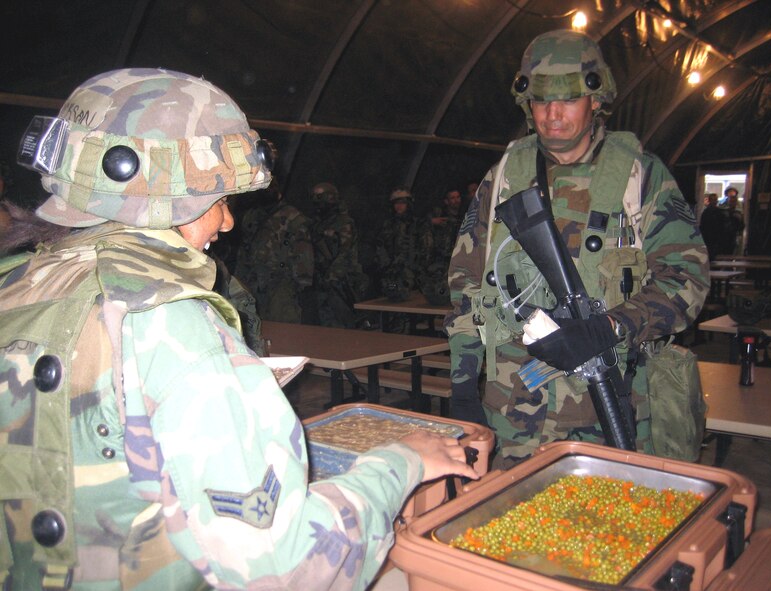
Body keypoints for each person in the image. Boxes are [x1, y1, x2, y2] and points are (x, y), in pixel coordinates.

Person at [0, 68, 478, 591]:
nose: (226, 223)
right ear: (167, 196)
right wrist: (401, 463)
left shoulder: (19, 283)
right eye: (216, 200)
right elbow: (289, 566)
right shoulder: (165, 322)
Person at [444, 30, 710, 469]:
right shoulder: (506, 176)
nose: (552, 114)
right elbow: (467, 283)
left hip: (613, 405)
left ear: (596, 98)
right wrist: (462, 385)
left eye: (566, 99)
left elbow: (688, 279)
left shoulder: (639, 175)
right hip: (515, 415)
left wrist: (609, 327)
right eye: (541, 99)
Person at [234, 178, 314, 324]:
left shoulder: (292, 217)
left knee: (283, 327)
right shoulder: (253, 215)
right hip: (253, 280)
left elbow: (302, 251)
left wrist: (302, 283)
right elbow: (244, 249)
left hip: (281, 282)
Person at [308, 182, 368, 328]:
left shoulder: (343, 223)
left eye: (320, 196)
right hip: (323, 280)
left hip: (341, 281)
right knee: (326, 321)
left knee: (345, 322)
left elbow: (346, 253)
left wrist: (332, 275)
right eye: (315, 197)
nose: (317, 201)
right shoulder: (316, 223)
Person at [423, 188, 463, 306]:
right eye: (452, 198)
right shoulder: (440, 219)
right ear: (446, 201)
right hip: (441, 263)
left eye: (457, 197)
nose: (456, 201)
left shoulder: (465, 216)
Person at [700, 192, 728, 261]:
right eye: (713, 200)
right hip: (709, 238)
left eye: (715, 200)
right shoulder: (707, 212)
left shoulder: (718, 212)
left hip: (715, 239)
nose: (714, 201)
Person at [721, 186, 744, 255]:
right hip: (725, 235)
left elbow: (741, 223)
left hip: (735, 234)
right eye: (729, 192)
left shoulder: (740, 206)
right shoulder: (722, 205)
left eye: (732, 192)